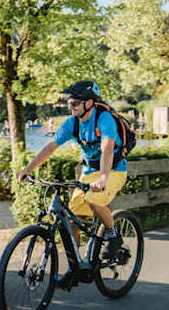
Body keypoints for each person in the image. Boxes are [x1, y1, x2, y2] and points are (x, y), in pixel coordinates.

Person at [16, 80, 128, 278]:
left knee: (94, 200)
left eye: (75, 103)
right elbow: (51, 147)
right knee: (71, 219)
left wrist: (103, 178)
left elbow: (107, 149)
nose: (71, 107)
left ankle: (112, 233)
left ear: (90, 103)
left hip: (113, 170)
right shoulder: (72, 122)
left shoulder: (104, 119)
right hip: (89, 170)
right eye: (69, 103)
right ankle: (75, 266)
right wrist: (27, 169)